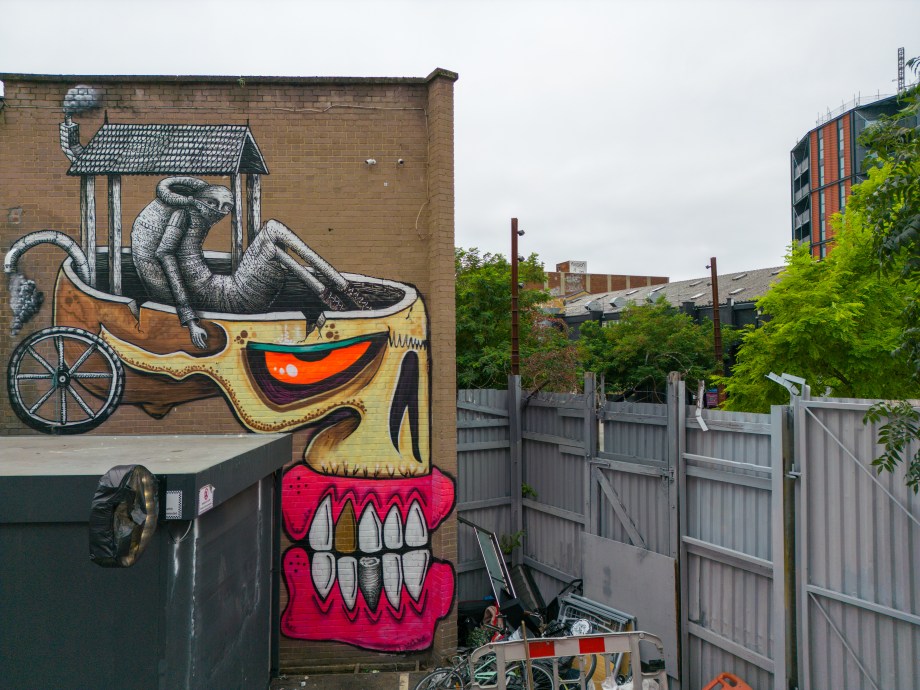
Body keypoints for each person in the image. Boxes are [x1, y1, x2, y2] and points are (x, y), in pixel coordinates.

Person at [131, 176, 366, 348]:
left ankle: (339, 294)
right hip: (229, 298)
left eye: (226, 207)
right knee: (273, 232)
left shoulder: (196, 221)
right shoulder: (182, 215)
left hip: (228, 290)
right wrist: (191, 321)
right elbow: (165, 255)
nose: (219, 211)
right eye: (212, 203)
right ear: (196, 200)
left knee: (274, 238)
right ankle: (341, 296)